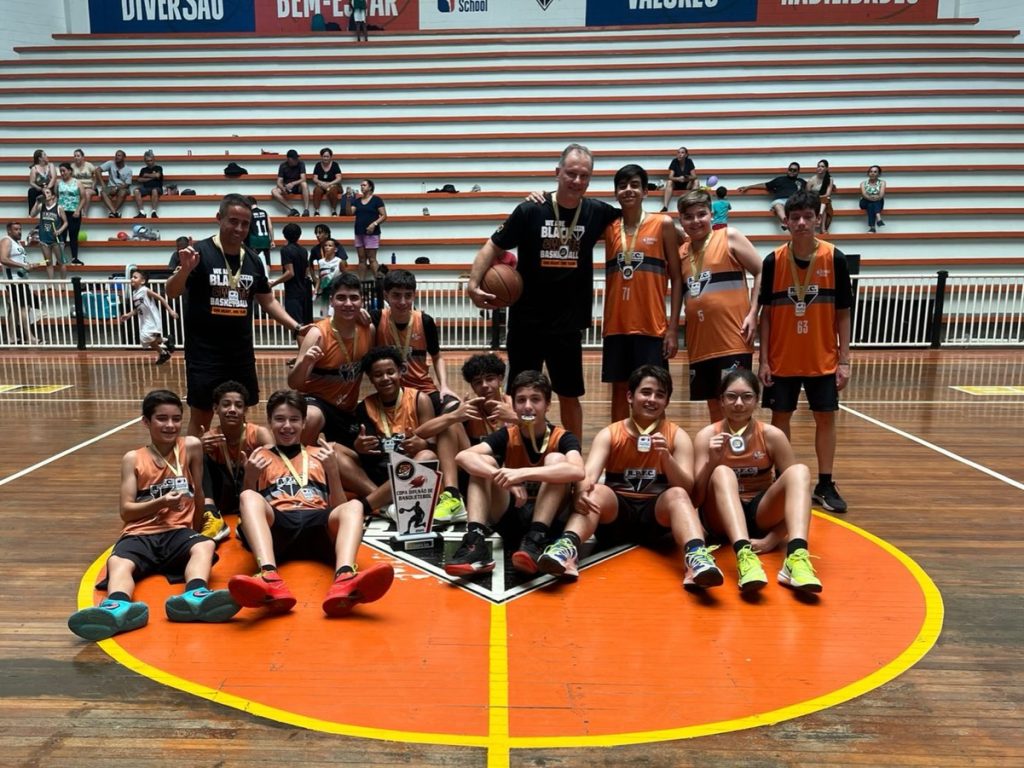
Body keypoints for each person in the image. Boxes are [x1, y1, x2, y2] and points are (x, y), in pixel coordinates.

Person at [467, 143, 621, 440]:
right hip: (527, 321)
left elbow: (637, 218)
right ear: (557, 172)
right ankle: (520, 451)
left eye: (584, 175)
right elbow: (492, 246)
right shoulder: (530, 210)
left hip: (568, 324)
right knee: (521, 394)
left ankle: (573, 454)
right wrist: (473, 286)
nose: (577, 180)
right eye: (571, 173)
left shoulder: (597, 212)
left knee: (569, 395)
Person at [539, 365, 738, 589]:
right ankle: (567, 548)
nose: (652, 399)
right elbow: (589, 474)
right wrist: (580, 493)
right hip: (616, 518)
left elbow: (689, 493)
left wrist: (666, 458)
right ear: (630, 396)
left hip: (657, 520)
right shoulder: (610, 433)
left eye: (660, 395)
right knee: (594, 491)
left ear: (666, 402)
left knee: (678, 494)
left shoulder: (677, 436)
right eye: (646, 392)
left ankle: (696, 558)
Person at [66, 389, 240, 641]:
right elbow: (126, 511)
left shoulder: (191, 446)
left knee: (204, 545)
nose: (170, 425)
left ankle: (196, 595)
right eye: (162, 418)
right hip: (140, 533)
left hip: (177, 533)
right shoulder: (133, 459)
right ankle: (117, 607)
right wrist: (160, 503)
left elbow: (199, 492)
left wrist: (194, 530)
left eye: (176, 419)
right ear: (146, 422)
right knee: (119, 562)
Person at [227, 389, 395, 617]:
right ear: (269, 422)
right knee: (248, 496)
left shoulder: (320, 454)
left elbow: (338, 509)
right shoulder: (260, 456)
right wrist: (250, 477)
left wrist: (333, 471)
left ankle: (345, 576)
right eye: (280, 419)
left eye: (294, 419)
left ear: (304, 422)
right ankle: (269, 576)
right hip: (280, 526)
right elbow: (245, 514)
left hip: (318, 524)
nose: (287, 426)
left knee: (355, 506)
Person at [166, 193, 306, 437]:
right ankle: (195, 461)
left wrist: (297, 327)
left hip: (240, 353)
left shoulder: (252, 259)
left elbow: (268, 300)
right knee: (201, 417)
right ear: (219, 218)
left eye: (245, 223)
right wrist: (185, 270)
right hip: (204, 354)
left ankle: (237, 460)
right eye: (233, 221)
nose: (239, 228)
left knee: (239, 417)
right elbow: (172, 291)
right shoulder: (199, 252)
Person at [758, 190, 853, 514]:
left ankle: (825, 483)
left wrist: (844, 360)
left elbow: (843, 312)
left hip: (822, 359)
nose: (801, 223)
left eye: (807, 217)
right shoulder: (773, 261)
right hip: (782, 358)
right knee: (779, 419)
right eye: (795, 217)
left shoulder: (834, 258)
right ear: (786, 221)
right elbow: (766, 315)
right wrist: (763, 360)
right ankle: (783, 479)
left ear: (818, 219)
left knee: (825, 418)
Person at [693, 368, 821, 593]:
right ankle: (744, 555)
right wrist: (710, 462)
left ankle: (796, 556)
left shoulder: (772, 435)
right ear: (721, 401)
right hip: (718, 519)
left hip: (759, 514)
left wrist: (773, 539)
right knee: (722, 472)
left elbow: (798, 496)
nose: (739, 403)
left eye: (747, 397)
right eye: (731, 396)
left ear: (756, 400)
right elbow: (695, 498)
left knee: (799, 472)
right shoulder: (707, 436)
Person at [450, 370, 584, 577]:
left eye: (535, 399)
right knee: (484, 463)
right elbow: (462, 457)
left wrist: (521, 474)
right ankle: (475, 542)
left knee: (556, 460)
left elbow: (577, 470)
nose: (527, 406)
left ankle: (535, 540)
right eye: (521, 400)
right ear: (513, 406)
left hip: (548, 523)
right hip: (512, 516)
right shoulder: (507, 435)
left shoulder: (563, 437)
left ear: (548, 405)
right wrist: (501, 477)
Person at [370, 268, 464, 520]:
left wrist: (444, 386)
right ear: (386, 295)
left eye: (408, 295)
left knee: (451, 411)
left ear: (414, 295)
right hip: (393, 390)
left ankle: (453, 492)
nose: (402, 301)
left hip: (423, 387)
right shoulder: (376, 319)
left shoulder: (425, 321)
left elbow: (437, 356)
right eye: (396, 295)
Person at [601, 164, 681, 422]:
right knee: (619, 392)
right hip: (616, 326)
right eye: (622, 186)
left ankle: (657, 444)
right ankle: (619, 444)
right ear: (615, 193)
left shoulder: (662, 224)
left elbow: (677, 277)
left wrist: (672, 329)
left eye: (635, 185)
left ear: (646, 191)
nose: (628, 190)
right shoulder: (609, 226)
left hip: (651, 327)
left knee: (654, 392)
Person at [677, 188, 762, 423]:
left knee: (737, 405)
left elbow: (761, 270)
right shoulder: (681, 252)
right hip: (701, 343)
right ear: (681, 220)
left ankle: (741, 447)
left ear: (711, 215)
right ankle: (720, 447)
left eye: (701, 214)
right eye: (688, 216)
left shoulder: (729, 237)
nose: (695, 221)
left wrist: (753, 312)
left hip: (732, 339)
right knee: (714, 408)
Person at [350, 345, 442, 511]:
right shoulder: (365, 406)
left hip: (411, 471)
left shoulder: (420, 399)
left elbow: (433, 445)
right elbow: (369, 453)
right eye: (378, 375)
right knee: (335, 452)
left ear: (400, 372)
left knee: (427, 456)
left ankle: (370, 505)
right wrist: (359, 447)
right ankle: (385, 501)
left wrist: (424, 444)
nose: (385, 378)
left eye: (390, 372)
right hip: (380, 471)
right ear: (371, 378)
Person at [288, 272, 374, 447]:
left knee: (352, 455)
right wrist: (305, 363)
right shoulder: (318, 334)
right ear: (331, 301)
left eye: (354, 298)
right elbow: (294, 383)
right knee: (312, 417)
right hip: (316, 402)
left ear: (362, 301)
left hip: (346, 409)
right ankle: (299, 459)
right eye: (341, 298)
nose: (348, 303)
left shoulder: (368, 330)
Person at [199, 380, 273, 540]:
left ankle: (252, 515)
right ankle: (211, 513)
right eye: (226, 404)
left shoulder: (259, 434)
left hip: (251, 490)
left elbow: (276, 465)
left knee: (267, 458)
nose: (232, 410)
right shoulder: (211, 438)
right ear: (215, 408)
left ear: (245, 410)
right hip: (222, 496)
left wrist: (253, 467)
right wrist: (198, 448)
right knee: (199, 456)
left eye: (238, 405)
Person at [119, 269, 177, 365]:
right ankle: (164, 349)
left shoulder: (145, 290)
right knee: (146, 341)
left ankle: (165, 344)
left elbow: (161, 298)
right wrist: (129, 314)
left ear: (142, 281)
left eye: (135, 277)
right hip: (144, 320)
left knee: (146, 337)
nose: (132, 279)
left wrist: (171, 311)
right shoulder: (134, 293)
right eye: (132, 277)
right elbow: (138, 308)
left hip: (152, 319)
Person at [738, 162, 806, 230]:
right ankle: (786, 222)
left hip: (793, 201)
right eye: (790, 169)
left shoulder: (801, 182)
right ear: (788, 170)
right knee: (777, 204)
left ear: (798, 172)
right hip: (780, 201)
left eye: (794, 170)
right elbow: (765, 185)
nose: (792, 171)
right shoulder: (780, 179)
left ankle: (789, 224)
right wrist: (749, 187)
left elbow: (810, 188)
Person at [1, 222, 39, 344]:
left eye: (20, 229)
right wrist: (22, 266)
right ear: (9, 231)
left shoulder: (17, 243)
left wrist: (29, 266)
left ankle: (12, 337)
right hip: (14, 280)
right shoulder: (6, 240)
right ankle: (30, 338)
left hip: (21, 279)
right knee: (24, 307)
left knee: (15, 308)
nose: (19, 231)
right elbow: (3, 259)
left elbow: (20, 262)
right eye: (16, 229)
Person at [342, 179, 386, 279]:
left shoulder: (376, 200)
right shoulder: (357, 201)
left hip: (372, 233)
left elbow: (384, 216)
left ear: (370, 187)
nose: (362, 187)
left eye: (364, 185)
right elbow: (349, 213)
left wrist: (374, 224)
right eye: (361, 185)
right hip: (359, 232)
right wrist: (348, 199)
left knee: (372, 259)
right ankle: (361, 283)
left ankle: (379, 282)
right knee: (361, 260)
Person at [270, 222, 312, 325]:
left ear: (284, 235)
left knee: (296, 325)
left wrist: (273, 283)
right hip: (305, 291)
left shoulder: (285, 250)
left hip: (293, 292)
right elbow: (306, 272)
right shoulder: (303, 250)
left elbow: (290, 273)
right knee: (306, 324)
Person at [30, 186, 68, 280]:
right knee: (48, 262)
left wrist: (59, 231)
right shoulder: (41, 206)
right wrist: (37, 202)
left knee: (61, 262)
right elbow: (32, 215)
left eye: (47, 193)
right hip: (44, 238)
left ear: (53, 196)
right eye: (44, 193)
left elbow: (66, 222)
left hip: (56, 239)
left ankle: (63, 284)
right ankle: (50, 283)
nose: (45, 195)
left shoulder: (59, 208)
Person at [57, 162, 86, 266]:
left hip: (74, 213)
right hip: (61, 213)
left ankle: (74, 258)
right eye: (60, 171)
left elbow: (83, 198)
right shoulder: (58, 183)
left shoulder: (77, 183)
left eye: (64, 171)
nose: (62, 173)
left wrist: (78, 210)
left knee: (73, 236)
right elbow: (56, 197)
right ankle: (60, 258)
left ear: (70, 171)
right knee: (61, 237)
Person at [271, 149, 310, 217]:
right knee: (274, 191)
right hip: (287, 187)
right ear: (289, 159)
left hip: (298, 186)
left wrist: (293, 184)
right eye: (294, 159)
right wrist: (283, 188)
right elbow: (279, 182)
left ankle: (306, 209)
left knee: (304, 184)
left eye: (296, 158)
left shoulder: (301, 163)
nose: (296, 160)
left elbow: (303, 179)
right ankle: (292, 209)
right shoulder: (283, 165)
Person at [659, 146, 697, 212]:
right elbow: (670, 177)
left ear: (686, 155)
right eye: (678, 152)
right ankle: (665, 206)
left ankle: (694, 204)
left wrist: (687, 178)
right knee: (669, 182)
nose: (680, 154)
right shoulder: (674, 161)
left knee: (696, 181)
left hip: (687, 184)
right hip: (676, 184)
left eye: (682, 153)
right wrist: (678, 179)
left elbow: (694, 176)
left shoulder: (689, 161)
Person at [314, 237, 345, 316]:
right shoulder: (320, 262)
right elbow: (320, 277)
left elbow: (345, 275)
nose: (327, 247)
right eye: (325, 245)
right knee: (324, 315)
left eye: (330, 246)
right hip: (324, 291)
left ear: (335, 249)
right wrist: (316, 290)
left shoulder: (339, 261)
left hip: (335, 291)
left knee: (332, 314)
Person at [98, 150, 133, 218]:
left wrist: (117, 188)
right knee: (103, 192)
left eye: (119, 155)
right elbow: (97, 170)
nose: (117, 157)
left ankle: (113, 212)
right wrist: (103, 184)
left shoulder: (128, 170)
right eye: (116, 155)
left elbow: (127, 184)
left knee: (122, 192)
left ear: (124, 157)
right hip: (111, 187)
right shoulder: (110, 163)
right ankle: (115, 212)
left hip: (122, 188)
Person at [310, 147, 343, 216]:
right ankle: (316, 211)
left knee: (332, 190)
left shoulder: (335, 165)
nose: (325, 158)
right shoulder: (318, 165)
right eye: (324, 156)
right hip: (321, 185)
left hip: (333, 184)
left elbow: (339, 178)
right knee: (317, 190)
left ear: (330, 157)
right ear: (321, 157)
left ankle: (334, 210)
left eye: (327, 156)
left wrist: (329, 184)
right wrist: (322, 183)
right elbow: (315, 179)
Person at [807, 159, 835, 234]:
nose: (820, 168)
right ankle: (822, 228)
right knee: (824, 203)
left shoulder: (829, 179)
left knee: (824, 202)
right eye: (818, 166)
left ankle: (820, 215)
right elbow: (807, 194)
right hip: (813, 200)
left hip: (823, 200)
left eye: (822, 166)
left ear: (826, 168)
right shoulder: (811, 180)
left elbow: (828, 194)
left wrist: (820, 198)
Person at [132, 150, 163, 218]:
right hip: (146, 188)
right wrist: (153, 177)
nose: (149, 162)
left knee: (154, 190)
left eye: (151, 160)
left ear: (154, 160)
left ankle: (153, 212)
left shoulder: (158, 168)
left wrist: (146, 175)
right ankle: (142, 212)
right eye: (148, 161)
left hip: (157, 188)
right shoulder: (143, 169)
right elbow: (139, 179)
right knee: (136, 191)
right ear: (145, 161)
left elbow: (158, 175)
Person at [246, 195, 274, 269]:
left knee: (254, 263)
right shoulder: (264, 212)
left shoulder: (249, 214)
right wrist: (272, 240)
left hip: (254, 241)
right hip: (265, 240)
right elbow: (270, 227)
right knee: (267, 263)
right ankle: (267, 276)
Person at [27, 149, 56, 214]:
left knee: (54, 190)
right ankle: (31, 213)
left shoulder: (50, 165)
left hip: (50, 186)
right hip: (40, 188)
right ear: (40, 158)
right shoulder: (34, 168)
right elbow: (32, 182)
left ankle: (54, 211)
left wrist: (47, 188)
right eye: (44, 155)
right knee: (31, 191)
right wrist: (40, 188)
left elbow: (53, 178)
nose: (46, 156)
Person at [859, 165, 886, 233]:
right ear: (868, 173)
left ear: (879, 174)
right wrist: (872, 198)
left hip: (878, 201)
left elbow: (881, 195)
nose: (872, 173)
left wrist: (875, 197)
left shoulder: (882, 182)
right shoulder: (863, 183)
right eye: (871, 171)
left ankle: (872, 228)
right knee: (871, 202)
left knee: (871, 205)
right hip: (865, 201)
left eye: (875, 172)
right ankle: (878, 216)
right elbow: (864, 195)